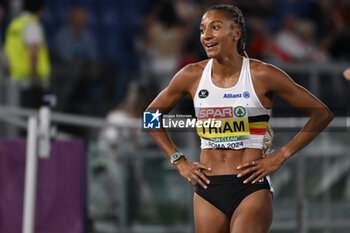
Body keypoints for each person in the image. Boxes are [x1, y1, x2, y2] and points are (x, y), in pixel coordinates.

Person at [146, 4, 333, 233]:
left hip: (250, 188)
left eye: (215, 27)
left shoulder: (262, 74)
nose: (206, 35)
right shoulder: (191, 75)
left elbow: (321, 114)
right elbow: (150, 116)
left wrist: (281, 156)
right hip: (208, 189)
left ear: (236, 33)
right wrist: (178, 160)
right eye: (203, 29)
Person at [4, 0, 50, 108]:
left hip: (14, 79)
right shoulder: (32, 24)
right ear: (39, 10)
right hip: (30, 82)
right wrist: (35, 76)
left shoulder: (14, 25)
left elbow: (7, 52)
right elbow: (33, 51)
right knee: (33, 119)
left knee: (18, 117)